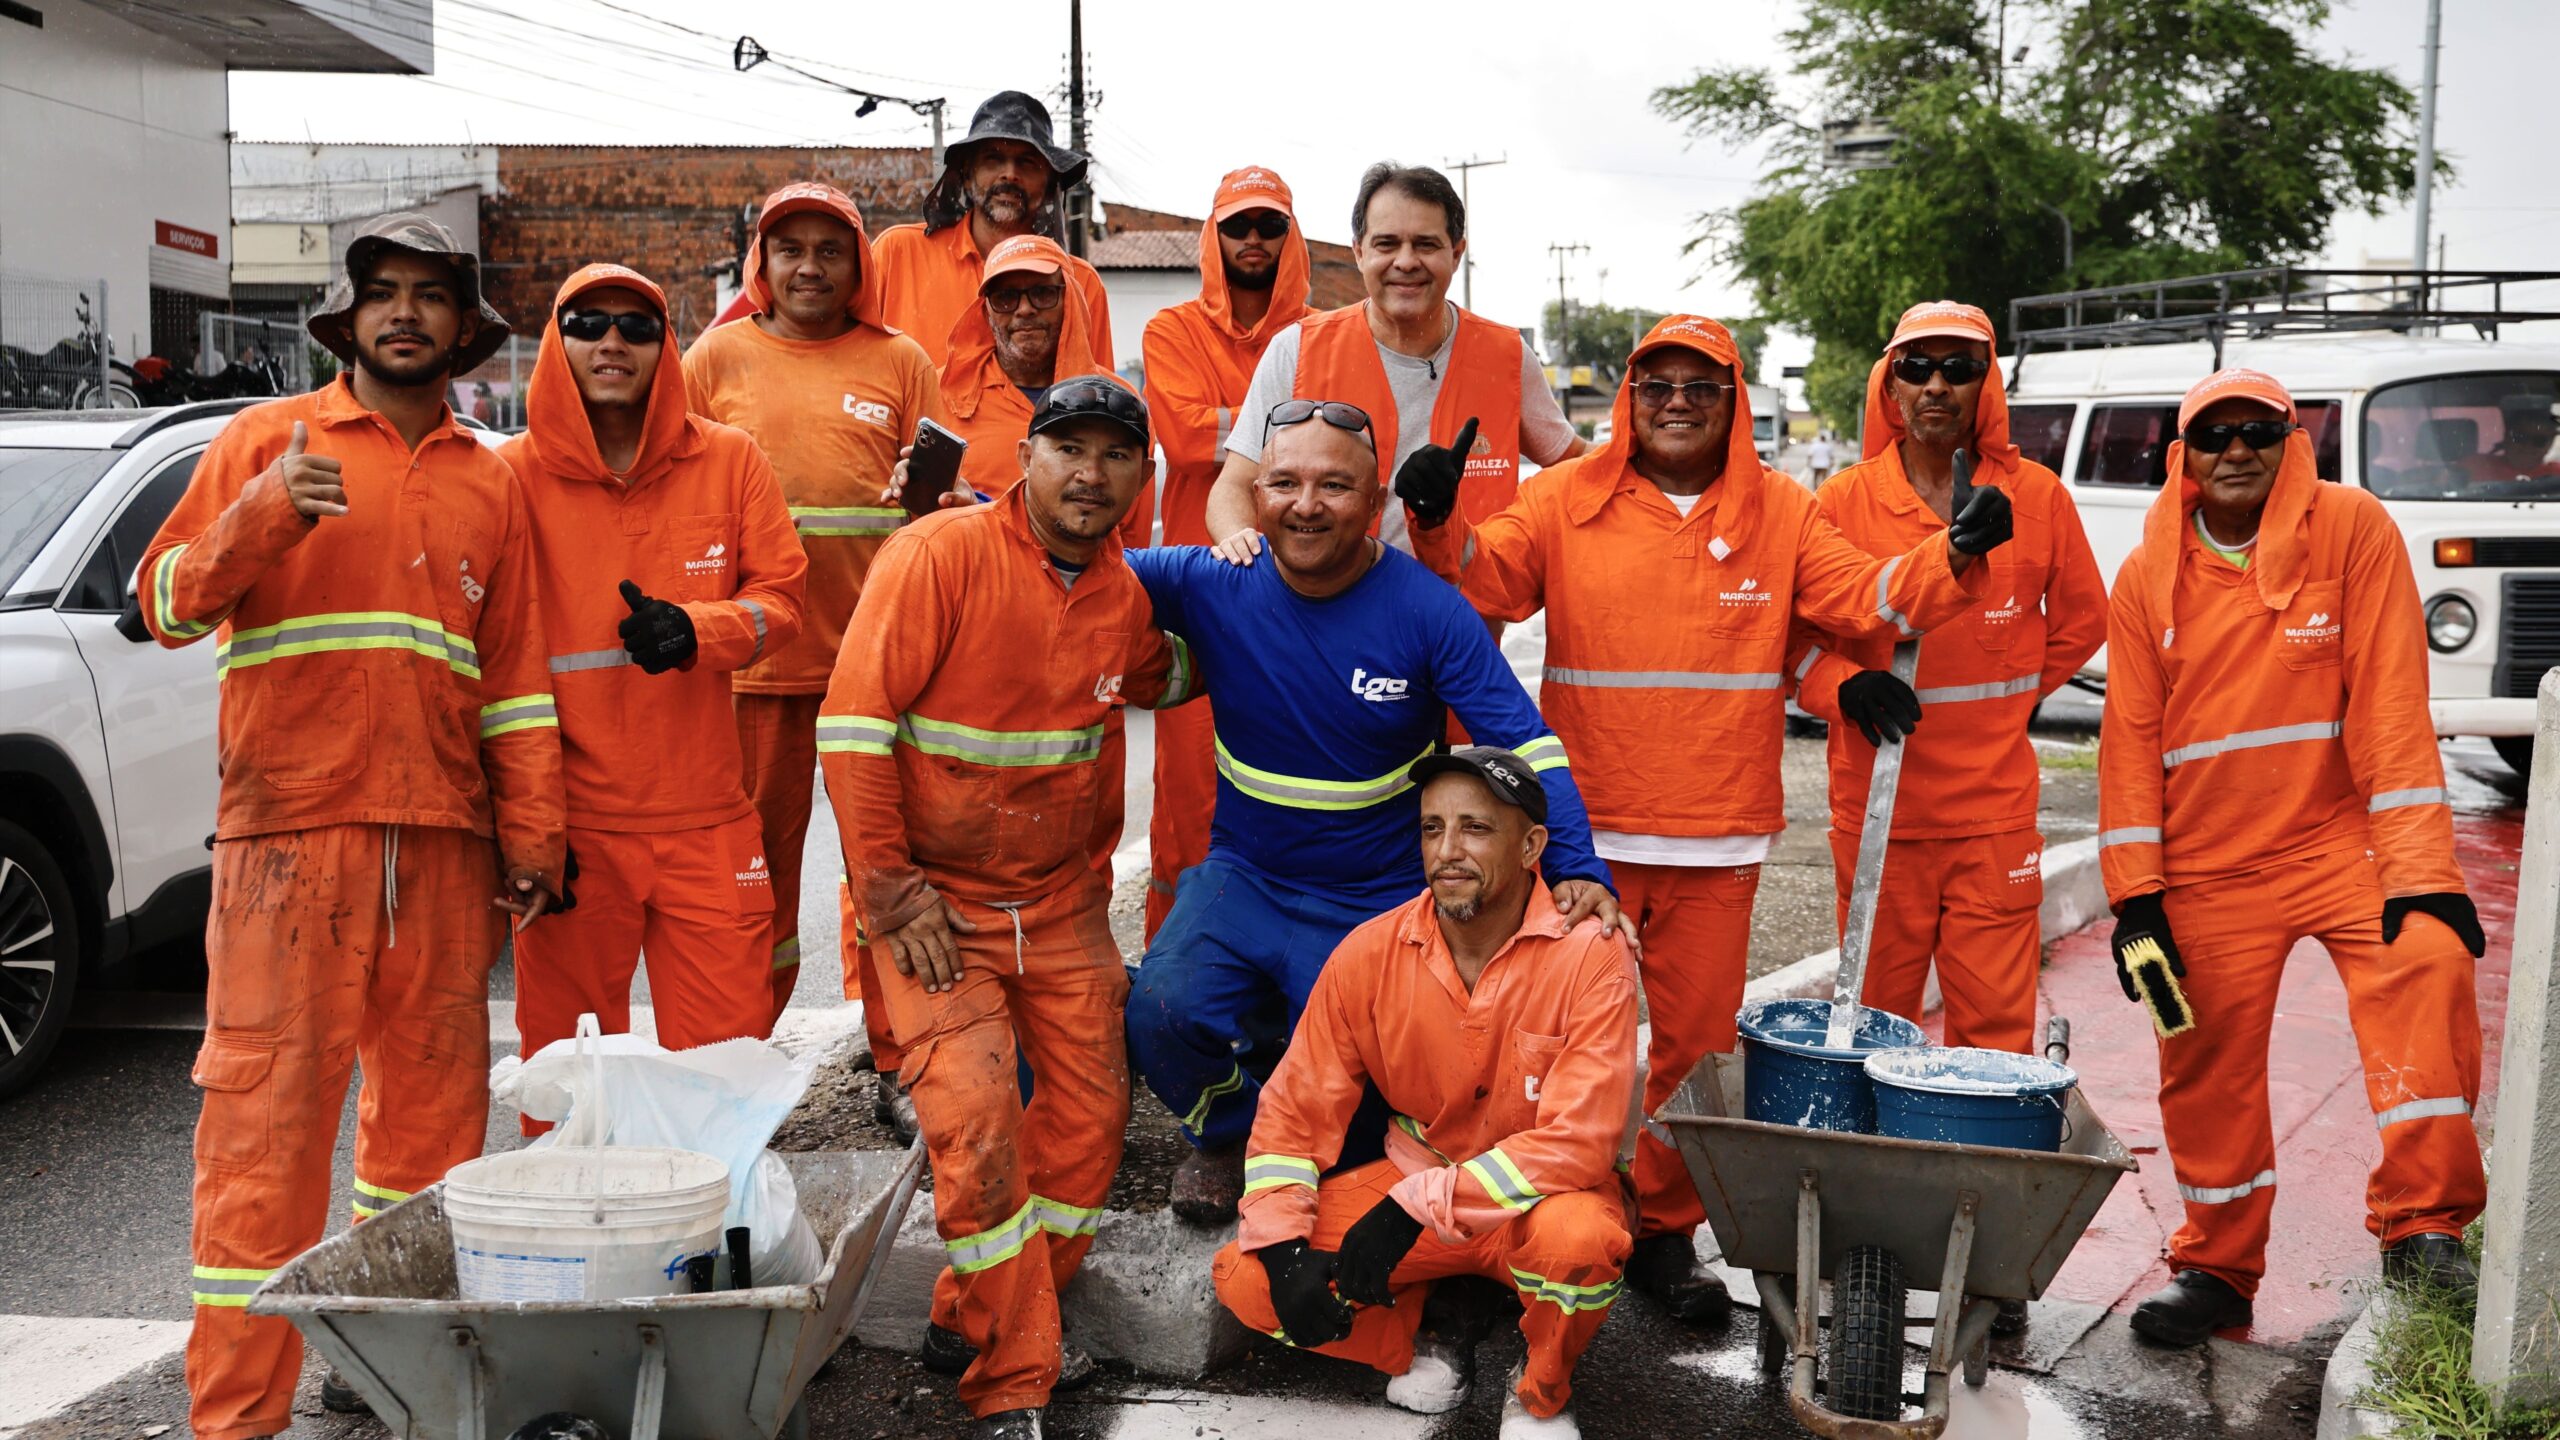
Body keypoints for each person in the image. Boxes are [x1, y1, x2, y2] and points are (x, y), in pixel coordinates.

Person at [1405, 313, 2013, 1321]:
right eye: (1657, 385)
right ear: (1628, 399)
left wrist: (1950, 554)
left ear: (1733, 403)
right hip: (1583, 840)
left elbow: (1867, 601)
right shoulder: (1565, 498)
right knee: (1535, 1043)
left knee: (1690, 1058)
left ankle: (1660, 1232)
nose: (1677, 402)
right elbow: (1483, 573)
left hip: (1716, 835)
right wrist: (1434, 520)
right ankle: (1507, 1227)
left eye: (1701, 386)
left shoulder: (1782, 510)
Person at [137, 214, 567, 1440]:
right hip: (288, 838)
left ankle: (392, 1380)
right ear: (349, 318)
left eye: (429, 295)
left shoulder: (491, 480)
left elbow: (515, 680)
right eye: (383, 293)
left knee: (429, 1138)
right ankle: (237, 1419)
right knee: (265, 1135)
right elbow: (164, 604)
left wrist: (533, 832)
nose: (404, 313)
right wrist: (263, 513)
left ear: (462, 327)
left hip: (442, 841)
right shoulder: (265, 442)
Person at [1123, 404, 1625, 1225]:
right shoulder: (1213, 579)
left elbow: (1526, 743)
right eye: (1284, 483)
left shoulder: (1428, 611)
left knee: (1369, 1098)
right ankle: (1231, 1136)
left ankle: (1338, 1173)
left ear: (1375, 500)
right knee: (1160, 1012)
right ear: (1256, 493)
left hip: (1373, 898)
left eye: (1333, 485)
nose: (1305, 505)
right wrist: (970, 517)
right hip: (1246, 878)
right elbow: (1066, 559)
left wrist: (1577, 865)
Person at [819, 377, 1196, 1440]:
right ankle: (1013, 1379)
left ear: (1142, 475)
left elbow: (1169, 677)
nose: (1090, 473)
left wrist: (1287, 606)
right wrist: (892, 896)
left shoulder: (1121, 594)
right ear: (1024, 458)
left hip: (1062, 909)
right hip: (933, 915)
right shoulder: (937, 556)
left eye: (1115, 454)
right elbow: (852, 730)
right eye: (1068, 449)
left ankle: (969, 1316)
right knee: (978, 1129)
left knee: (1091, 1128)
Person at [2099, 367, 2488, 1348]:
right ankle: (2216, 1269)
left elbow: (2390, 706)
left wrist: (2423, 877)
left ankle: (2424, 1228)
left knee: (2431, 962)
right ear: (2184, 457)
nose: (2237, 450)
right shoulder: (2146, 577)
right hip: (2206, 864)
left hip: (2340, 844)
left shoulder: (2352, 530)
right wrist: (2137, 901)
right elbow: (2128, 746)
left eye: (2258, 431)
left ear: (2290, 441)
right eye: (2214, 434)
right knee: (2199, 1058)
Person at [1211, 748, 1637, 1439]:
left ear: (1531, 847)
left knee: (1580, 1242)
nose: (1448, 851)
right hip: (1418, 1187)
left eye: (1475, 828)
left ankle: (1539, 1389)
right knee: (1246, 1279)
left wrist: (1414, 1207)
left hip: (1536, 1202)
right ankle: (1430, 1334)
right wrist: (1284, 1245)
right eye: (1432, 828)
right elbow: (1294, 1113)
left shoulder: (1591, 954)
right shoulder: (1368, 952)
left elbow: (1579, 1145)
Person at [504, 263, 808, 1069]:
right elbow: (486, 667)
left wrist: (697, 630)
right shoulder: (509, 480)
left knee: (725, 1076)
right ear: (556, 342)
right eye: (589, 324)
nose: (613, 342)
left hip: (706, 821)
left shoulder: (731, 460)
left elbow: (782, 600)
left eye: (636, 327)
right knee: (569, 1086)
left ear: (666, 345)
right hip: (575, 831)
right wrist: (530, 830)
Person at [1788, 302, 2106, 1057]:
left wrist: (2010, 692)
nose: (1936, 384)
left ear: (1985, 386)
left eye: (1959, 368)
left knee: (1994, 1038)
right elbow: (1790, 647)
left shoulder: (2038, 497)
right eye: (1917, 367)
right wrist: (1844, 689)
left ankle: (1976, 1141)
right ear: (1890, 385)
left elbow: (2083, 622)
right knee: (1872, 1029)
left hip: (1993, 817)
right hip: (1879, 813)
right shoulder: (1840, 502)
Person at [683, 181, 948, 1078]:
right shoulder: (713, 361)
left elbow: (939, 512)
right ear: (761, 262)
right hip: (754, 671)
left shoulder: (901, 362)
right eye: (789, 249)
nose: (809, 267)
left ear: (858, 264)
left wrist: (932, 493)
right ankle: (735, 1065)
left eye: (829, 250)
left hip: (878, 674)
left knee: (890, 872)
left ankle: (903, 1057)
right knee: (750, 880)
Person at [1203, 162, 1583, 561]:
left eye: (1425, 244)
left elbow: (1576, 463)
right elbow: (1235, 484)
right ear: (1359, 252)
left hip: (1470, 598)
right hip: (1333, 597)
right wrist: (1243, 549)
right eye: (1386, 244)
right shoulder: (1296, 351)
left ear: (1456, 254)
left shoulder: (1506, 355)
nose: (1406, 261)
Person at [1136, 164, 1313, 939]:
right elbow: (1182, 436)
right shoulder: (1171, 330)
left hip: (1306, 591)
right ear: (1213, 236)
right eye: (1238, 225)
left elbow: (1349, 438)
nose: (1254, 239)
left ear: (1291, 238)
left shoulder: (1327, 331)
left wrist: (1234, 425)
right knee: (1190, 794)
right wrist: (1296, 428)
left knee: (1301, 783)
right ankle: (1176, 962)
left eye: (1270, 225)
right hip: (1201, 595)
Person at [870, 90, 1113, 368]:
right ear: (967, 174)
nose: (1010, 174)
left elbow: (1094, 389)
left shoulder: (1080, 283)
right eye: (993, 159)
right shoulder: (898, 254)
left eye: (1027, 162)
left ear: (1049, 183)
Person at [941, 234, 1119, 499]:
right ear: (986, 312)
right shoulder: (937, 395)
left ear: (1070, 300)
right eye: (1005, 297)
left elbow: (1127, 522)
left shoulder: (1118, 403)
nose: (1024, 309)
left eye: (1042, 293)